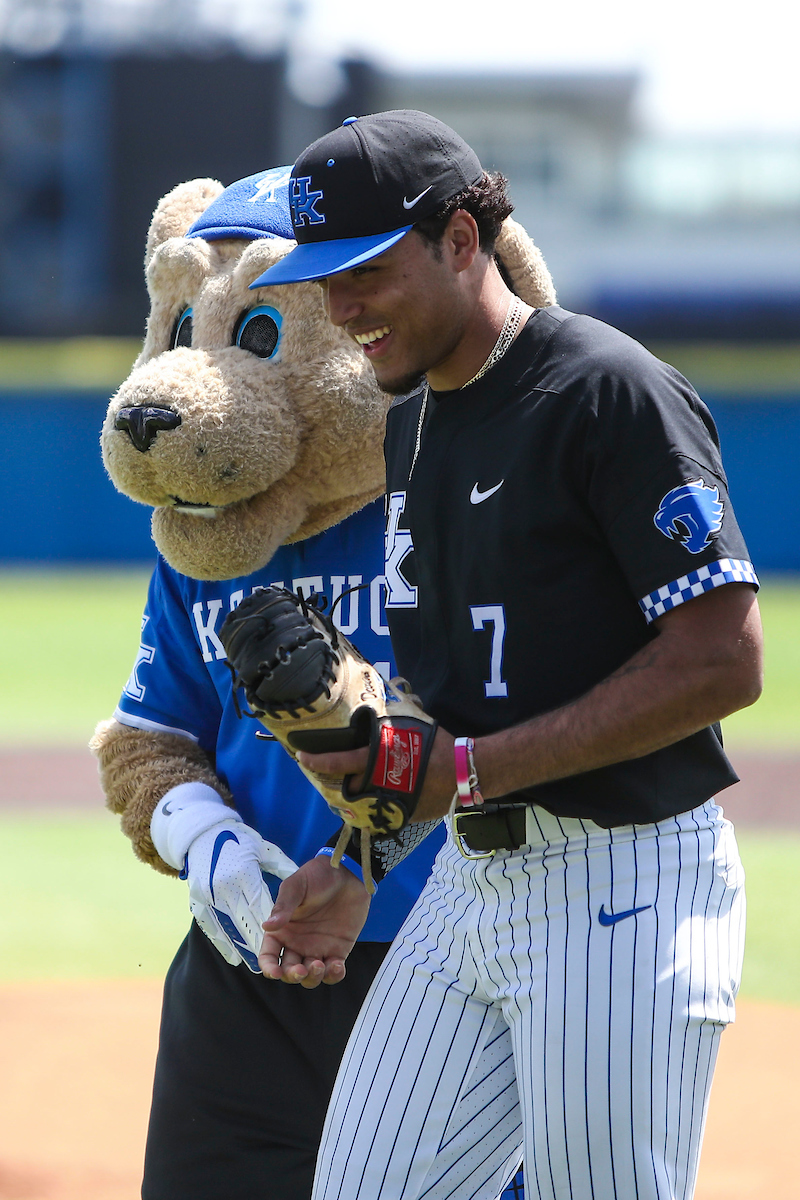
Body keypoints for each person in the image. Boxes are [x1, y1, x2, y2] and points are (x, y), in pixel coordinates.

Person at [249, 110, 763, 1200]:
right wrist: (355, 867)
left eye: (368, 271)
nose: (342, 311)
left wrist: (467, 773)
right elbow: (447, 716)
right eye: (323, 279)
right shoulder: (411, 426)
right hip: (467, 884)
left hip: (622, 882)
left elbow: (723, 660)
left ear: (462, 240)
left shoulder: (606, 391)